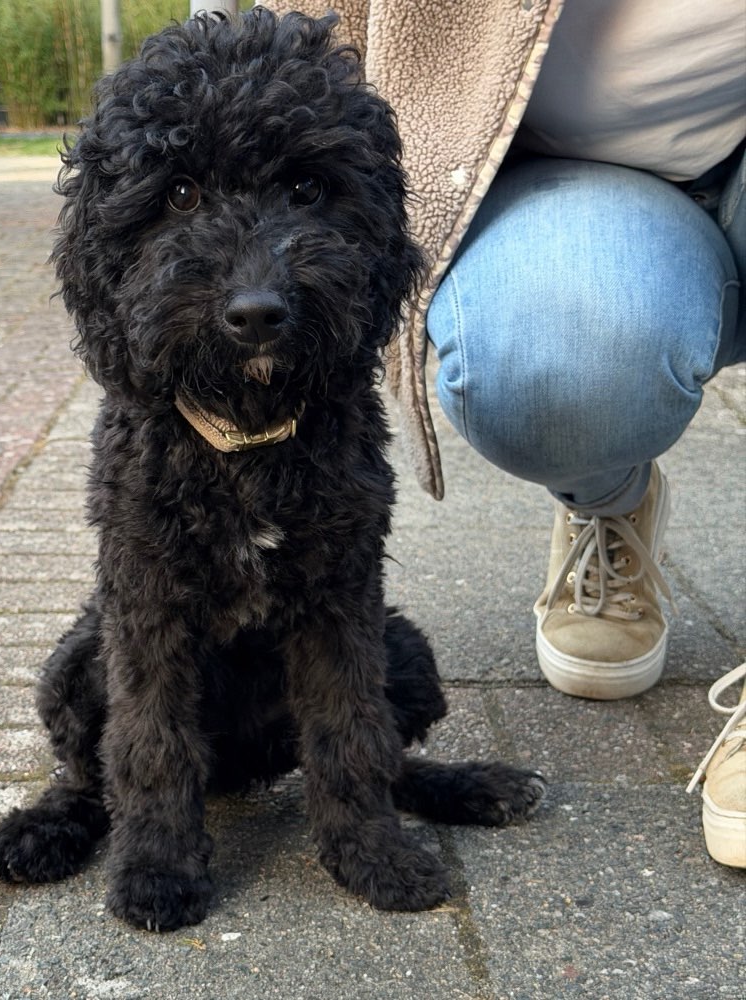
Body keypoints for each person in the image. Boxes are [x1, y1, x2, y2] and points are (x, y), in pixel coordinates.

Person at [263, 0, 745, 868]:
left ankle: (364, 795)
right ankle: (609, 494)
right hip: (572, 174)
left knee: (351, 607)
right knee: (546, 360)